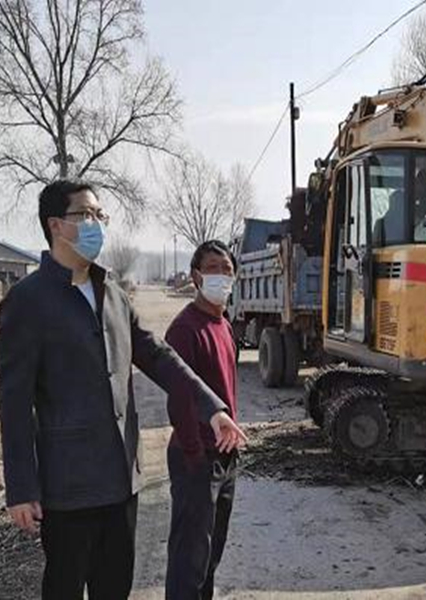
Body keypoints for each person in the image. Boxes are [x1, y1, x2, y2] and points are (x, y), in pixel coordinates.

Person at [0, 180, 246, 600]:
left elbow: (159, 356)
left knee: (115, 588)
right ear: (56, 225)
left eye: (100, 215)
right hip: (67, 486)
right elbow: (14, 403)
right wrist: (21, 488)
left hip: (120, 479)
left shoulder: (113, 293)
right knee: (64, 588)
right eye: (85, 215)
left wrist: (212, 408)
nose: (96, 224)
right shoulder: (28, 302)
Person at [164, 240, 241, 600]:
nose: (221, 276)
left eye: (227, 270)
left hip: (226, 456)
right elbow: (178, 401)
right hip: (196, 457)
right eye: (212, 269)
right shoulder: (185, 329)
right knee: (189, 559)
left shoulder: (224, 325)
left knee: (210, 556)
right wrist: (195, 454)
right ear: (196, 276)